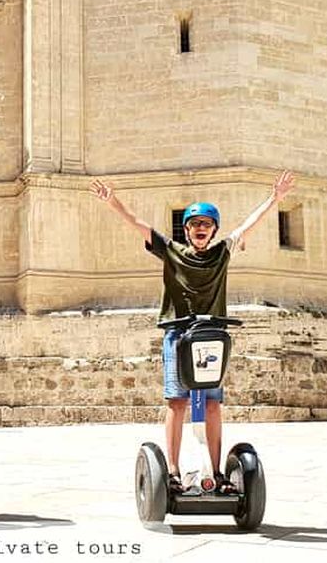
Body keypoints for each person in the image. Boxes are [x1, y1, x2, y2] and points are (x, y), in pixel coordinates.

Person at [91, 171, 295, 493]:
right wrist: (112, 201)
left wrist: (275, 198)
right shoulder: (171, 250)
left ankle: (216, 472)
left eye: (207, 224)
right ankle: (172, 473)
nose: (201, 228)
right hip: (178, 335)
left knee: (212, 405)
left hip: (212, 336)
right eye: (195, 224)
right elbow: (138, 224)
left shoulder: (222, 252)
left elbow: (248, 226)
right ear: (186, 230)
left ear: (213, 230)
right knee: (177, 402)